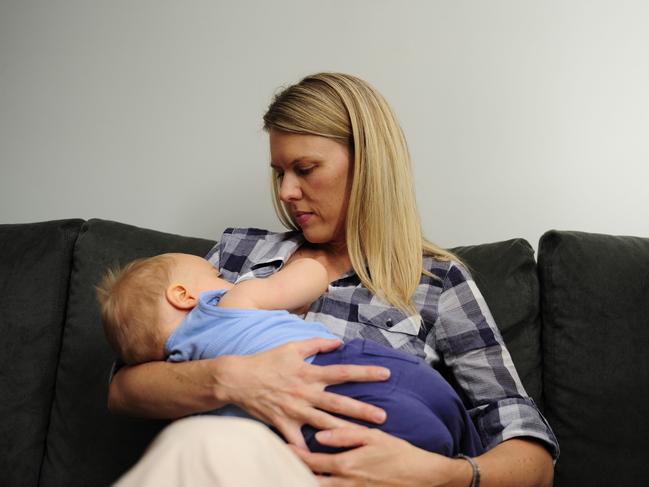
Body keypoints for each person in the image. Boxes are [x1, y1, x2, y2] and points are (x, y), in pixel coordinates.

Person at [109, 72, 559, 487]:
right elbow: (125, 390)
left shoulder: (438, 282)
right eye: (279, 173)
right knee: (205, 442)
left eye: (304, 170)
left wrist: (444, 474)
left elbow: (533, 460)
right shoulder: (234, 256)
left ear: (367, 164)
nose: (285, 192)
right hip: (249, 465)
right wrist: (229, 378)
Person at [97, 252, 485, 457]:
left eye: (305, 168)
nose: (224, 278)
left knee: (418, 436)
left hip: (302, 433)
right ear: (184, 295)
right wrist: (298, 278)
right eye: (214, 273)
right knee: (444, 413)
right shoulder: (229, 301)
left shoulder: (179, 370)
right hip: (348, 368)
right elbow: (311, 274)